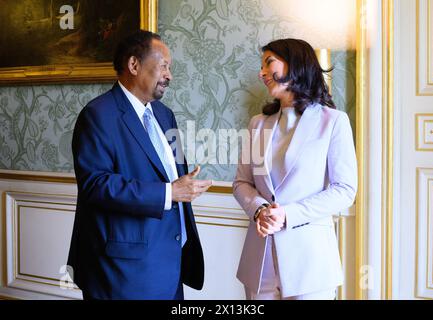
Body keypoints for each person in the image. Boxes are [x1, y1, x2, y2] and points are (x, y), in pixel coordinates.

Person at [67, 30, 212, 300]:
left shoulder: (164, 114)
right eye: (164, 66)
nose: (169, 75)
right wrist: (170, 193)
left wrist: (184, 187)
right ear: (134, 65)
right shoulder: (97, 115)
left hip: (171, 261)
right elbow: (95, 184)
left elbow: (172, 176)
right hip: (124, 271)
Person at [233, 38, 357, 300]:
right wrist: (259, 210)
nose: (261, 72)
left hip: (310, 264)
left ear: (296, 64)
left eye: (269, 63)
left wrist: (288, 214)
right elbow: (241, 182)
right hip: (260, 263)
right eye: (262, 65)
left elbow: (345, 190)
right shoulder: (257, 124)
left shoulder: (333, 121)